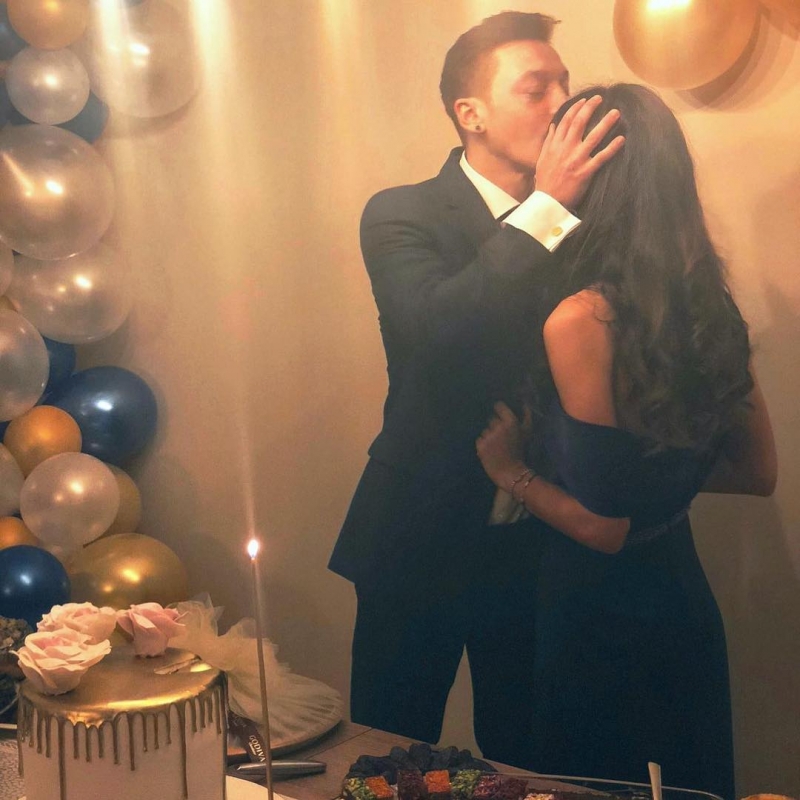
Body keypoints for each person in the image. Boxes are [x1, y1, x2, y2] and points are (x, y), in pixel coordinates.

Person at [328, 11, 624, 766]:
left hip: (540, 534)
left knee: (532, 754)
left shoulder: (590, 221)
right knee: (391, 753)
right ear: (472, 113)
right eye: (536, 88)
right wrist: (548, 209)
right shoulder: (401, 212)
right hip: (417, 530)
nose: (561, 105)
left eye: (564, 85)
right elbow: (441, 332)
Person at [476, 83, 777, 796]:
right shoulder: (710, 303)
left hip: (598, 615)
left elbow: (603, 526)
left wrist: (511, 471)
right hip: (682, 597)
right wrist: (658, 477)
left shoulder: (582, 319)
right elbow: (756, 472)